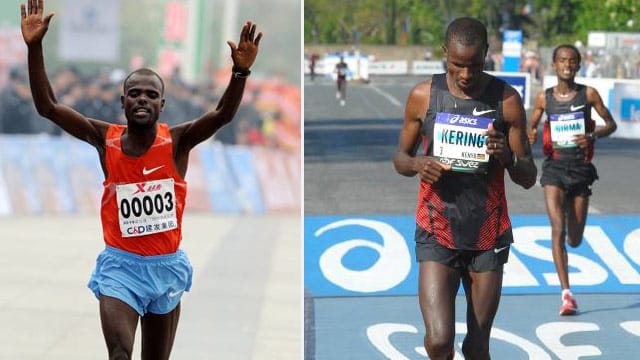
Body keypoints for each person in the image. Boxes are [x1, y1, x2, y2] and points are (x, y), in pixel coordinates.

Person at [20, 0, 261, 359]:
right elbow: (48, 108)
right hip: (120, 268)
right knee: (120, 353)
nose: (142, 99)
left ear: (162, 104)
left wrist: (239, 73)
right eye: (135, 94)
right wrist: (35, 48)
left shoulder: (177, 141)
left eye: (151, 94)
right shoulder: (106, 139)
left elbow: (223, 115)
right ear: (123, 102)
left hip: (165, 268)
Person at [393, 17, 536, 359]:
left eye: (474, 65)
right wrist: (417, 165)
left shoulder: (507, 100)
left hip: (488, 232)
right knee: (440, 341)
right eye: (457, 64)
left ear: (487, 53)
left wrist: (507, 158)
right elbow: (400, 157)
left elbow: (529, 176)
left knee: (476, 346)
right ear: (445, 54)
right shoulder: (423, 96)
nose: (466, 74)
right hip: (436, 226)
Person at [528, 44, 616, 316]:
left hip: (580, 170)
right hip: (554, 169)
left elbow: (610, 124)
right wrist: (530, 134)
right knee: (558, 230)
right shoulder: (544, 98)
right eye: (563, 60)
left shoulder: (588, 94)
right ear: (554, 65)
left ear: (578, 66)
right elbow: (530, 126)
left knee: (575, 238)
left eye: (573, 61)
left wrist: (592, 136)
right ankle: (566, 294)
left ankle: (570, 210)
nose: (567, 65)